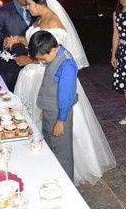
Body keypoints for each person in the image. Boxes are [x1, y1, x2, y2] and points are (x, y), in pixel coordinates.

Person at [9, 0, 116, 185]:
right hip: (33, 79)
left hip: (48, 79)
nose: (27, 7)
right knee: (39, 123)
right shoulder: (40, 18)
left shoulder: (56, 27)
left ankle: (63, 172)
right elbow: (36, 42)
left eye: (30, 3)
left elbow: (50, 56)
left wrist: (28, 60)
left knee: (59, 133)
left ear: (41, 4)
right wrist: (19, 40)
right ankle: (41, 162)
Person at [29, 30, 77, 180]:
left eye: (43, 58)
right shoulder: (53, 55)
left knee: (61, 152)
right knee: (50, 146)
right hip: (51, 111)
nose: (43, 62)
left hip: (60, 114)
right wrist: (45, 108)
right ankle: (53, 178)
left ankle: (65, 183)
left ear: (53, 49)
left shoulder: (66, 64)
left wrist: (61, 120)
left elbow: (66, 96)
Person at [0, 0, 32, 91]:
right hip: (11, 70)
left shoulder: (37, 10)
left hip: (34, 67)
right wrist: (3, 42)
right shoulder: (2, 12)